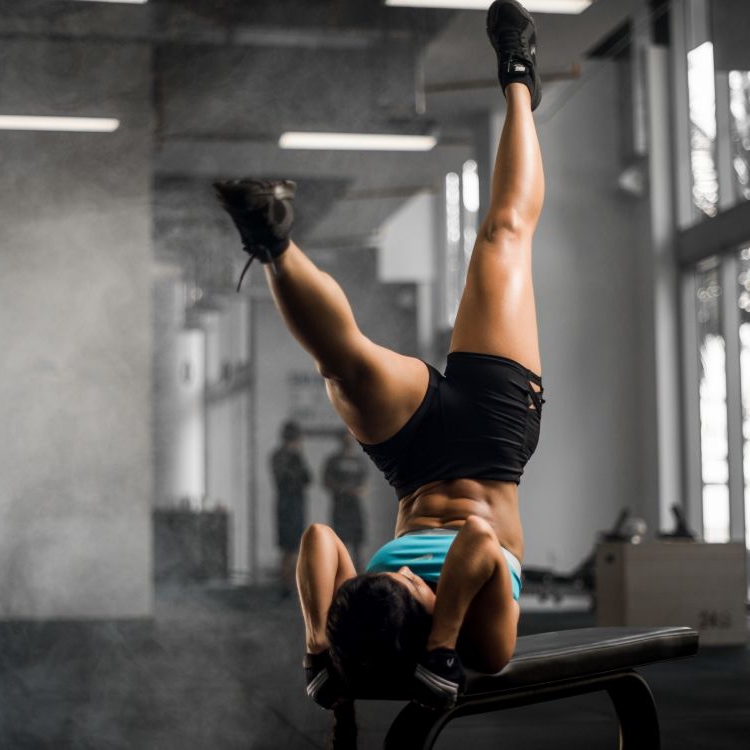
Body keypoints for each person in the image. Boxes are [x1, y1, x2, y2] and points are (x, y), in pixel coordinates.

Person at [215, 0, 544, 711]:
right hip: (493, 444)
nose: (402, 576)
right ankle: (520, 76)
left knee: (345, 364)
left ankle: (272, 244)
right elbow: (480, 543)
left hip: (413, 460)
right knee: (502, 239)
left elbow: (319, 537)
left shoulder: (358, 621)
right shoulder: (479, 644)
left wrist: (314, 642)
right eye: (407, 585)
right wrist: (445, 639)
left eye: (386, 581)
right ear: (426, 613)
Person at [271, 420, 311, 592]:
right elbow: (287, 478)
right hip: (288, 504)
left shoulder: (294, 456)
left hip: (295, 503)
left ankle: (289, 584)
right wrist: (295, 460)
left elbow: (308, 478)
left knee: (294, 545)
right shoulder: (280, 456)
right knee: (289, 546)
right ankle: (286, 584)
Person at [322, 430, 369, 570]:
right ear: (340, 441)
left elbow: (364, 484)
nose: (348, 442)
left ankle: (359, 575)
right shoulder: (333, 460)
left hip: (355, 506)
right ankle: (343, 575)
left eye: (350, 439)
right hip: (340, 507)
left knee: (357, 543)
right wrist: (342, 489)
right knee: (341, 542)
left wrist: (358, 490)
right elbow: (326, 481)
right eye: (345, 439)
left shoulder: (360, 461)